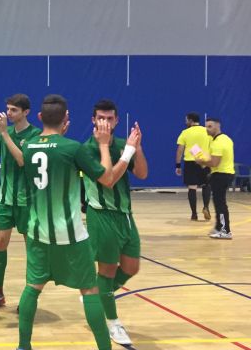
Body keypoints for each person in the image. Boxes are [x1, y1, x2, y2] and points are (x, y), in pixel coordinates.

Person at [18, 94, 114, 350]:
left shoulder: (27, 146)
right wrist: (104, 145)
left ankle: (23, 346)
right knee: (89, 291)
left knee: (32, 288)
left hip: (38, 233)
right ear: (66, 119)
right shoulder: (73, 148)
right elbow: (107, 179)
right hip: (71, 236)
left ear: (39, 118)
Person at [82, 99, 148, 346]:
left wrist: (137, 149)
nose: (105, 123)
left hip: (125, 216)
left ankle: (99, 295)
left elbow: (141, 174)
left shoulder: (123, 145)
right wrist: (127, 152)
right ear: (93, 120)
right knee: (107, 271)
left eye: (110, 119)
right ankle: (112, 322)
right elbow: (107, 180)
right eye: (101, 118)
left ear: (117, 120)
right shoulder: (86, 149)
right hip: (102, 215)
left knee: (131, 268)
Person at [0, 93, 41, 310]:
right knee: (0, 243)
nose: (9, 113)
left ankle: (29, 297)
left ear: (26, 112)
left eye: (14, 110)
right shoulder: (2, 133)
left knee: (31, 248)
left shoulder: (35, 134)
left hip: (28, 201)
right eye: (7, 109)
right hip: (5, 199)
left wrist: (5, 134)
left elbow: (22, 161)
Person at [197, 118, 235, 239]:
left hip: (221, 175)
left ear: (217, 126)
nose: (207, 129)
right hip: (224, 174)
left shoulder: (218, 142)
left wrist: (200, 161)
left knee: (220, 204)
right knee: (218, 202)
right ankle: (219, 227)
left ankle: (225, 230)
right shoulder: (225, 139)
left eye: (210, 126)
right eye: (206, 126)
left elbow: (214, 163)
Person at [175, 112, 213, 221]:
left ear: (191, 121)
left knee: (192, 187)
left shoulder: (185, 133)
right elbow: (212, 147)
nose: (185, 122)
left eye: (186, 120)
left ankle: (194, 214)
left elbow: (180, 150)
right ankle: (206, 207)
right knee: (206, 185)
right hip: (204, 162)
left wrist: (178, 165)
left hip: (191, 163)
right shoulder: (206, 131)